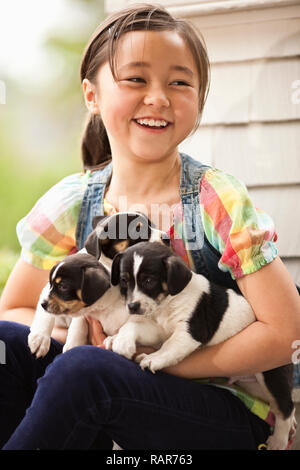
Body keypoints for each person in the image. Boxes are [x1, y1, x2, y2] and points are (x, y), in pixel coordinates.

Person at [0, 3, 299, 450]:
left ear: (198, 98)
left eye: (179, 82)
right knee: (8, 344)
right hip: (110, 383)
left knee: (84, 371)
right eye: (136, 78)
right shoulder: (73, 202)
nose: (158, 97)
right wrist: (89, 323)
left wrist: (160, 358)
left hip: (219, 404)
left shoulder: (216, 200)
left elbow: (286, 332)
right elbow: (16, 309)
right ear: (92, 95)